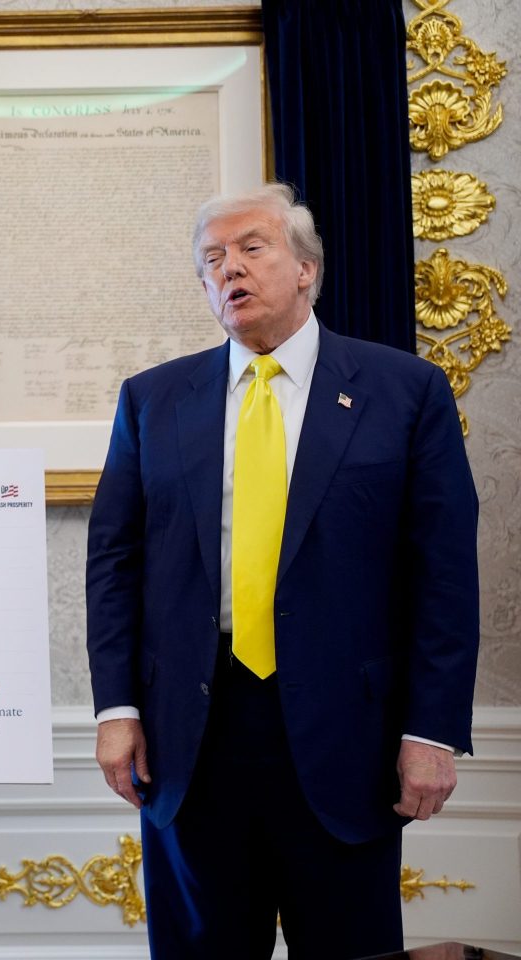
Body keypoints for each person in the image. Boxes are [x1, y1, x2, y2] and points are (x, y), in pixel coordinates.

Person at [86, 183, 479, 958]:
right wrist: (116, 710)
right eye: (211, 260)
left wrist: (432, 730)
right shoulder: (153, 400)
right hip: (191, 741)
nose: (228, 268)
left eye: (250, 248)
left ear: (306, 269)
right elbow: (114, 562)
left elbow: (443, 574)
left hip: (349, 741)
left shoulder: (405, 392)